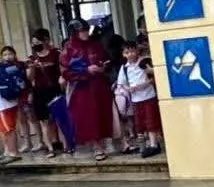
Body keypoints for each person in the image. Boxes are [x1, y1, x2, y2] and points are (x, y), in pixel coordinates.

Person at [61, 18, 114, 160]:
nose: (85, 33)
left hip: (100, 85)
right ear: (74, 32)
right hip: (82, 89)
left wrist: (103, 67)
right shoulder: (69, 49)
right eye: (81, 31)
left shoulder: (95, 45)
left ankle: (105, 143)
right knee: (89, 117)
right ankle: (96, 147)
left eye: (86, 30)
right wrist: (86, 71)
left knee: (103, 114)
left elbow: (107, 60)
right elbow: (65, 72)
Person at [113, 41, 164, 158]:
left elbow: (154, 77)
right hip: (136, 99)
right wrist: (129, 89)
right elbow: (121, 83)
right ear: (123, 54)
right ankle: (145, 145)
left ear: (136, 50)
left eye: (132, 51)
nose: (130, 54)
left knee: (151, 120)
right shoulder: (124, 68)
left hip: (149, 96)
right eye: (127, 52)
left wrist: (144, 85)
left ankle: (154, 144)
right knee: (140, 123)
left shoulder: (145, 62)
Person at [27, 28, 64, 156]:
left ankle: (63, 143)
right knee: (44, 120)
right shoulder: (32, 58)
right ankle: (50, 148)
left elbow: (63, 70)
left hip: (54, 89)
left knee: (58, 118)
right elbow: (30, 78)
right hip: (39, 91)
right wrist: (32, 68)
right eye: (33, 42)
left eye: (37, 41)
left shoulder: (56, 53)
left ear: (46, 40)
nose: (34, 45)